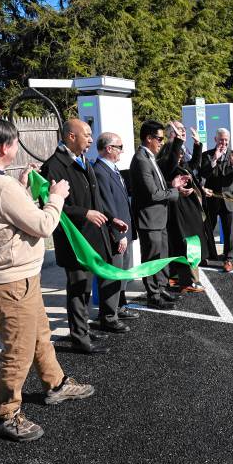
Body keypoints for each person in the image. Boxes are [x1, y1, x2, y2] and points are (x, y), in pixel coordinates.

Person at [0, 118, 94, 442]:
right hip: (13, 281)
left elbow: (2, 215)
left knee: (40, 337)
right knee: (18, 352)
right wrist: (57, 195)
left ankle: (55, 384)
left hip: (13, 277)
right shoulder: (1, 187)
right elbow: (45, 223)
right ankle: (6, 414)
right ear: (5, 147)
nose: (17, 147)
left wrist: (21, 187)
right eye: (15, 142)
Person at [40, 119, 129, 354]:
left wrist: (110, 218)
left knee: (86, 288)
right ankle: (80, 339)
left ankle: (83, 330)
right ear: (71, 136)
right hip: (75, 242)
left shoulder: (84, 161)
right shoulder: (54, 166)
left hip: (93, 239)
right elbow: (50, 206)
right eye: (87, 135)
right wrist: (85, 214)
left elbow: (95, 200)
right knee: (78, 289)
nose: (91, 139)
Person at [130, 119, 193, 309]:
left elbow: (160, 185)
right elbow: (153, 194)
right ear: (148, 138)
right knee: (151, 259)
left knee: (162, 256)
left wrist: (174, 187)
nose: (161, 141)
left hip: (159, 218)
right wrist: (174, 190)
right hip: (149, 220)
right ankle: (153, 295)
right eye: (159, 138)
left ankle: (162, 287)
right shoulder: (141, 160)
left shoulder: (149, 157)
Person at [158, 121, 212, 292]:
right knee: (187, 244)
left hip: (189, 209)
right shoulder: (167, 153)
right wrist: (177, 142)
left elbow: (193, 165)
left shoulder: (180, 159)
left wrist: (197, 144)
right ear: (170, 133)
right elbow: (170, 165)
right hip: (179, 209)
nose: (183, 133)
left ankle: (182, 278)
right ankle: (189, 281)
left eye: (183, 130)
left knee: (189, 243)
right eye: (179, 130)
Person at [92, 132, 140, 326]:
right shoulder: (100, 171)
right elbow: (107, 206)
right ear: (109, 148)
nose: (122, 150)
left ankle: (120, 306)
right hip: (114, 235)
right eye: (119, 147)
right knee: (112, 275)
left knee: (122, 273)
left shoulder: (112, 169)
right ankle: (108, 316)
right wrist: (119, 234)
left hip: (123, 234)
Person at [200, 128, 233, 272]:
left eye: (226, 140)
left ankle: (229, 259)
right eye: (221, 139)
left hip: (229, 199)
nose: (223, 142)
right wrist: (214, 160)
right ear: (215, 139)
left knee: (230, 231)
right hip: (211, 199)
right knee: (208, 229)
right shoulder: (207, 155)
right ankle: (205, 255)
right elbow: (202, 175)